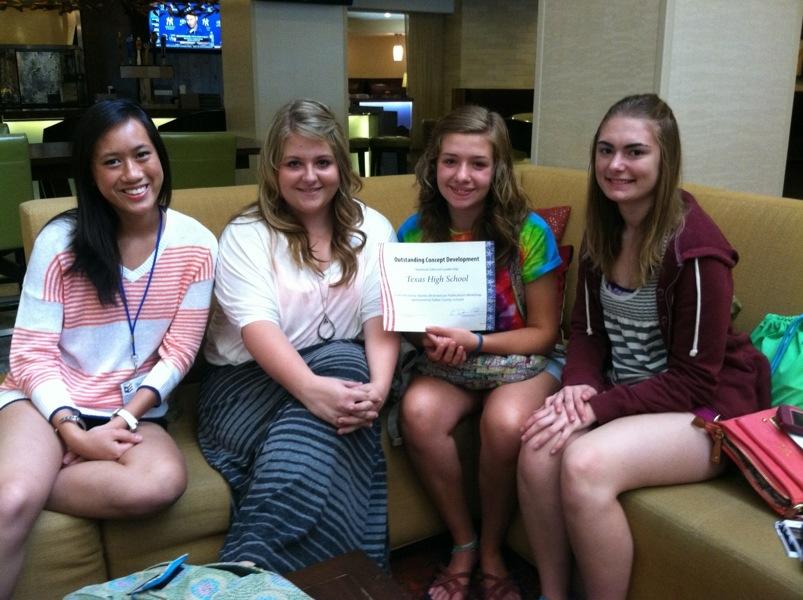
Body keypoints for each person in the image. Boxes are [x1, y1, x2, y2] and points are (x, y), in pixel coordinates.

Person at [517, 94, 771, 600]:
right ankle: (552, 593)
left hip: (708, 409)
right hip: (629, 390)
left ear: (665, 159)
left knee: (585, 462)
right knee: (537, 447)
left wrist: (597, 408)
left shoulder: (697, 251)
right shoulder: (605, 230)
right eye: (605, 150)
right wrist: (580, 386)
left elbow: (695, 380)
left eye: (635, 152)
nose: (616, 165)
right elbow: (586, 331)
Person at [0, 98, 217, 598]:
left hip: (131, 405)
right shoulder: (62, 241)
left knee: (159, 483)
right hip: (45, 401)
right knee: (12, 499)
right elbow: (31, 354)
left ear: (161, 157)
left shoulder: (197, 246)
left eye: (142, 154)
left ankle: (36, 474)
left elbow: (179, 354)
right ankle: (23, 478)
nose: (133, 173)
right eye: (112, 161)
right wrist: (73, 434)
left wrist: (124, 419)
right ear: (91, 174)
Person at [198, 98, 399, 572]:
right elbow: (257, 330)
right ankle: (346, 581)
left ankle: (250, 571)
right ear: (273, 170)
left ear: (341, 167)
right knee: (345, 375)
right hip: (246, 385)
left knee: (349, 373)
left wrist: (379, 392)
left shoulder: (373, 228)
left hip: (343, 374)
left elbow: (379, 319)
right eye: (294, 163)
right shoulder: (247, 234)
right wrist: (312, 390)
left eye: (322, 162)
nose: (310, 176)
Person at [398, 105, 564, 600]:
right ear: (433, 166)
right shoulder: (414, 232)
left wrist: (477, 342)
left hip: (520, 359)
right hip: (450, 364)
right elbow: (408, 322)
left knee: (505, 423)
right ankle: (462, 542)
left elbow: (544, 333)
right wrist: (422, 339)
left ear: (498, 171)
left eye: (478, 164)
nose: (462, 176)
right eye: (450, 162)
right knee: (418, 411)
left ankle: (492, 548)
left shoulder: (530, 232)